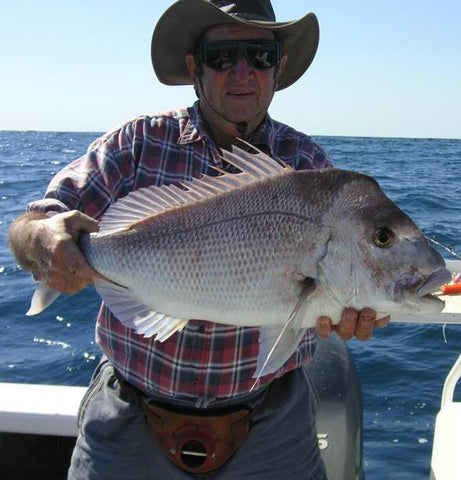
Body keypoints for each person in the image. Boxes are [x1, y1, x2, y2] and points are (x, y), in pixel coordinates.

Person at [8, 1, 389, 479]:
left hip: (270, 426)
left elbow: (317, 299)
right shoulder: (136, 144)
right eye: (223, 55)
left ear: (281, 66)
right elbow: (31, 225)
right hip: (132, 417)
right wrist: (44, 239)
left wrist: (345, 311)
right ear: (194, 66)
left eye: (261, 56)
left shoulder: (309, 166)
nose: (243, 72)